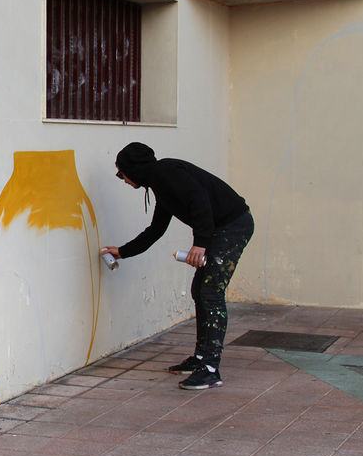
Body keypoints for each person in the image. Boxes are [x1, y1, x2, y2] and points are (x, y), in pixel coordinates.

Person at [101, 142, 254, 390]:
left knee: (210, 292)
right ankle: (201, 358)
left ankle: (210, 369)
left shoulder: (167, 173)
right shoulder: (161, 183)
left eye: (122, 174)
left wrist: (200, 244)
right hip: (220, 229)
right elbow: (156, 229)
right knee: (200, 290)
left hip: (233, 226)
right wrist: (123, 252)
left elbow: (200, 201)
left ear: (133, 169)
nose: (123, 180)